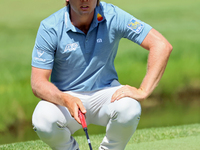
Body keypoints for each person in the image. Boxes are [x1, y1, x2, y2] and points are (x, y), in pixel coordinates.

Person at [31, 0, 173, 149]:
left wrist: (143, 91)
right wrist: (64, 99)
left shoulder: (112, 15)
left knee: (130, 108)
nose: (85, 0)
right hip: (66, 98)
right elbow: (38, 83)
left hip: (105, 93)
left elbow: (161, 45)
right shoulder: (50, 27)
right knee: (43, 120)